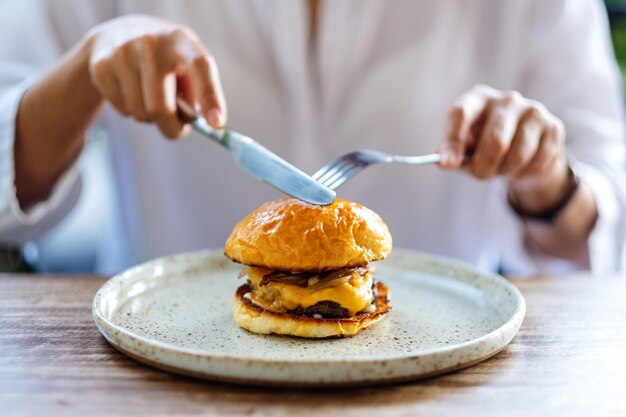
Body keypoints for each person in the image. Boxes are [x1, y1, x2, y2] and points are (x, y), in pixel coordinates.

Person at [0, 0, 625, 274]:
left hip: (440, 384)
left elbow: (605, 231)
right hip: (149, 380)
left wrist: (545, 179)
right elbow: (7, 210)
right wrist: (84, 73)